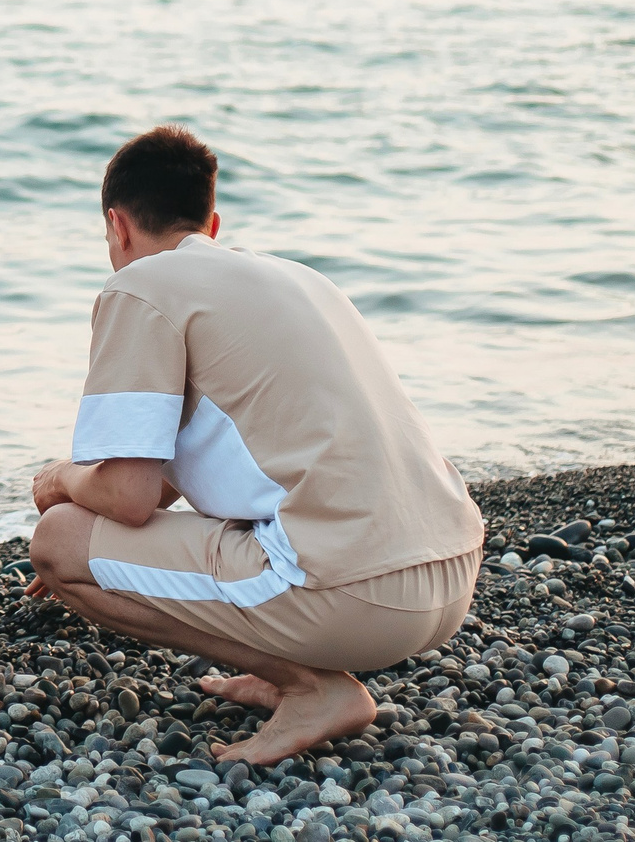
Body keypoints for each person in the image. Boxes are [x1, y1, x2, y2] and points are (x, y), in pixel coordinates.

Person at [27, 126, 484, 765]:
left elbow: (128, 498)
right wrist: (112, 533)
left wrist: (61, 482)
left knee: (57, 544)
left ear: (117, 225)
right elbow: (189, 472)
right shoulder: (301, 279)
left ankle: (314, 689)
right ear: (211, 224)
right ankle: (283, 670)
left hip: (350, 595)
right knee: (128, 525)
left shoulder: (142, 286)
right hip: (451, 573)